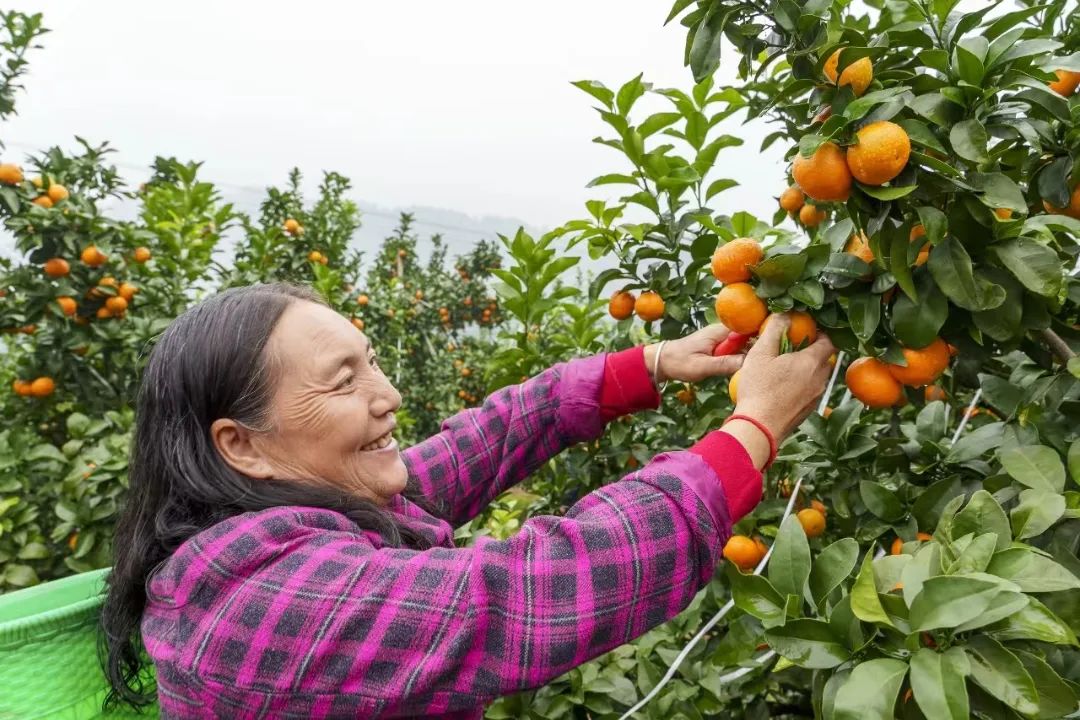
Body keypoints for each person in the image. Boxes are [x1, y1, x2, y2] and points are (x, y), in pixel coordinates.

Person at [101, 282, 834, 719]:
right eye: (342, 380)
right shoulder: (262, 597)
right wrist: (752, 432)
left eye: (373, 362)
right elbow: (526, 595)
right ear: (242, 444)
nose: (387, 396)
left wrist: (648, 365)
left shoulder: (288, 513)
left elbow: (473, 446)